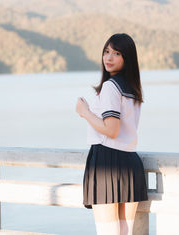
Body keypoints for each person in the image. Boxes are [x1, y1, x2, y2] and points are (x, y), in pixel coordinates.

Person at [75, 33, 148, 235]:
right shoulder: (133, 89)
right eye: (106, 52)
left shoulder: (110, 87)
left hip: (107, 162)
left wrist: (85, 112)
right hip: (130, 162)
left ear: (127, 58)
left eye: (116, 53)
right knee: (126, 232)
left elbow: (111, 130)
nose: (109, 57)